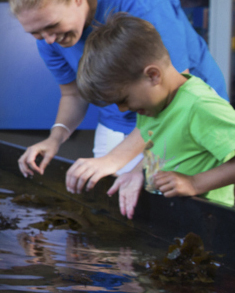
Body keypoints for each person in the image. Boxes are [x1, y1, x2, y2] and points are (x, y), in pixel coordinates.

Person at [9, 0, 227, 194]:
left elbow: (171, 98)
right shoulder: (49, 37)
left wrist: (115, 161)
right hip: (131, 114)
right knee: (111, 195)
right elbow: (73, 94)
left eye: (52, 26)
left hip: (179, 114)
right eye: (36, 33)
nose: (47, 39)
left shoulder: (142, 2)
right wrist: (55, 138)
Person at [76, 13, 235, 218]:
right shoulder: (155, 105)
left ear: (153, 75)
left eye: (123, 99)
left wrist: (194, 183)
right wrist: (137, 173)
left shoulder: (199, 106)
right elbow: (162, 146)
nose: (123, 109)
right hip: (174, 217)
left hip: (211, 222)